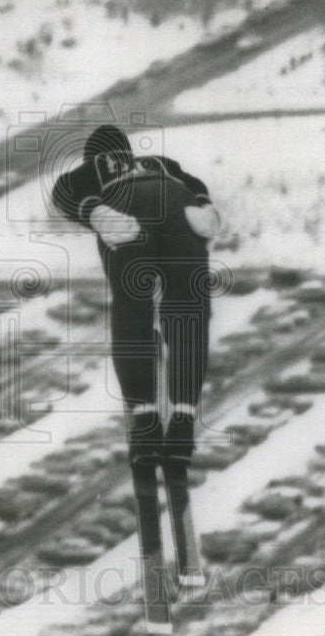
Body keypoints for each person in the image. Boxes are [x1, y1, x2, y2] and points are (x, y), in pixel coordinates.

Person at [51, 124, 220, 469]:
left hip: (125, 210)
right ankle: (184, 419)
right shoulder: (162, 162)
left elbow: (63, 190)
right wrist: (205, 208)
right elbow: (197, 184)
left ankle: (145, 423)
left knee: (132, 309)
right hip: (179, 209)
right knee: (189, 310)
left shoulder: (95, 168)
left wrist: (94, 212)